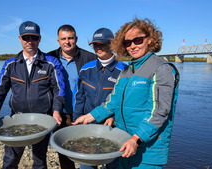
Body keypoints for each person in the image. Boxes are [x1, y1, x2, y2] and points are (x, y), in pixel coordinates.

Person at [73, 18, 180, 169]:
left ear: (149, 39)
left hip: (147, 150)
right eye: (127, 42)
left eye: (138, 40)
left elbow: (158, 112)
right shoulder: (126, 71)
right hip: (124, 143)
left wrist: (136, 139)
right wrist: (89, 117)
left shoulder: (161, 69)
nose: (132, 46)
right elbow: (112, 103)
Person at [0, 21, 66, 169]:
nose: (30, 41)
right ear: (20, 38)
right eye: (25, 37)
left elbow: (59, 88)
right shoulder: (10, 64)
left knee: (39, 160)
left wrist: (56, 110)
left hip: (43, 119)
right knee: (11, 158)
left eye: (33, 37)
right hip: (17, 119)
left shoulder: (51, 62)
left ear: (39, 39)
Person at [73, 28, 127, 169]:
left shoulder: (124, 71)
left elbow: (126, 102)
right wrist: (77, 120)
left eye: (102, 44)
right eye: (95, 44)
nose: (98, 47)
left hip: (112, 129)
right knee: (87, 164)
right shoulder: (86, 69)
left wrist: (114, 118)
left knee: (113, 164)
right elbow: (79, 98)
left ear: (112, 44)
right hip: (88, 127)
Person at [48, 24, 97, 169]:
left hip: (83, 114)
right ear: (58, 41)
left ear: (76, 38)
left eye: (70, 38)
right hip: (59, 115)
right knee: (64, 154)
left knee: (87, 154)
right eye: (63, 38)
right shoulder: (50, 58)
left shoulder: (90, 58)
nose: (67, 42)